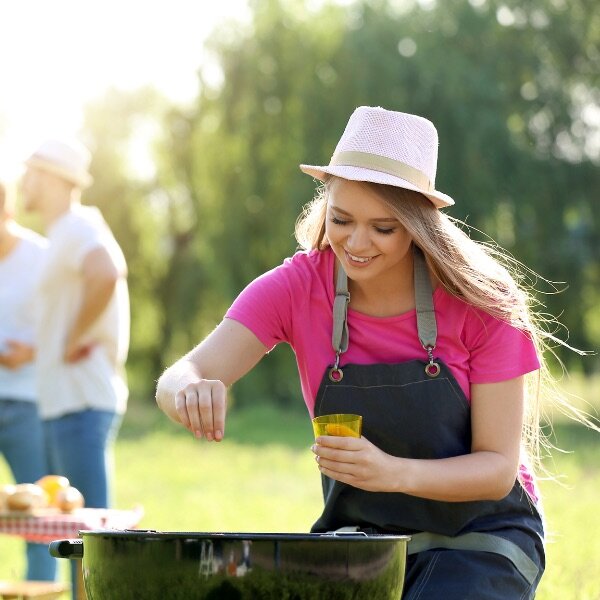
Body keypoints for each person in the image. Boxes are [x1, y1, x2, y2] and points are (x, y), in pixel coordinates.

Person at [155, 106, 590, 598]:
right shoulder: (298, 287)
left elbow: (495, 470)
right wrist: (188, 391)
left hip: (481, 539)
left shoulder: (481, 302)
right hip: (361, 545)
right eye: (341, 220)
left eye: (383, 228)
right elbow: (181, 374)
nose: (356, 243)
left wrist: (392, 472)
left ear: (418, 224)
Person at [20, 140, 129, 598]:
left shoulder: (75, 227)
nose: (22, 183)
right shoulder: (67, 231)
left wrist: (74, 339)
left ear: (47, 178)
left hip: (80, 403)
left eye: (28, 173)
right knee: (75, 534)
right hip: (69, 402)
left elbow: (105, 274)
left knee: (88, 539)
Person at [0, 181, 57, 581]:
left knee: (38, 517)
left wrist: (31, 353)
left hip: (28, 401)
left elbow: (62, 325)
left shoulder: (39, 256)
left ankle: (42, 589)